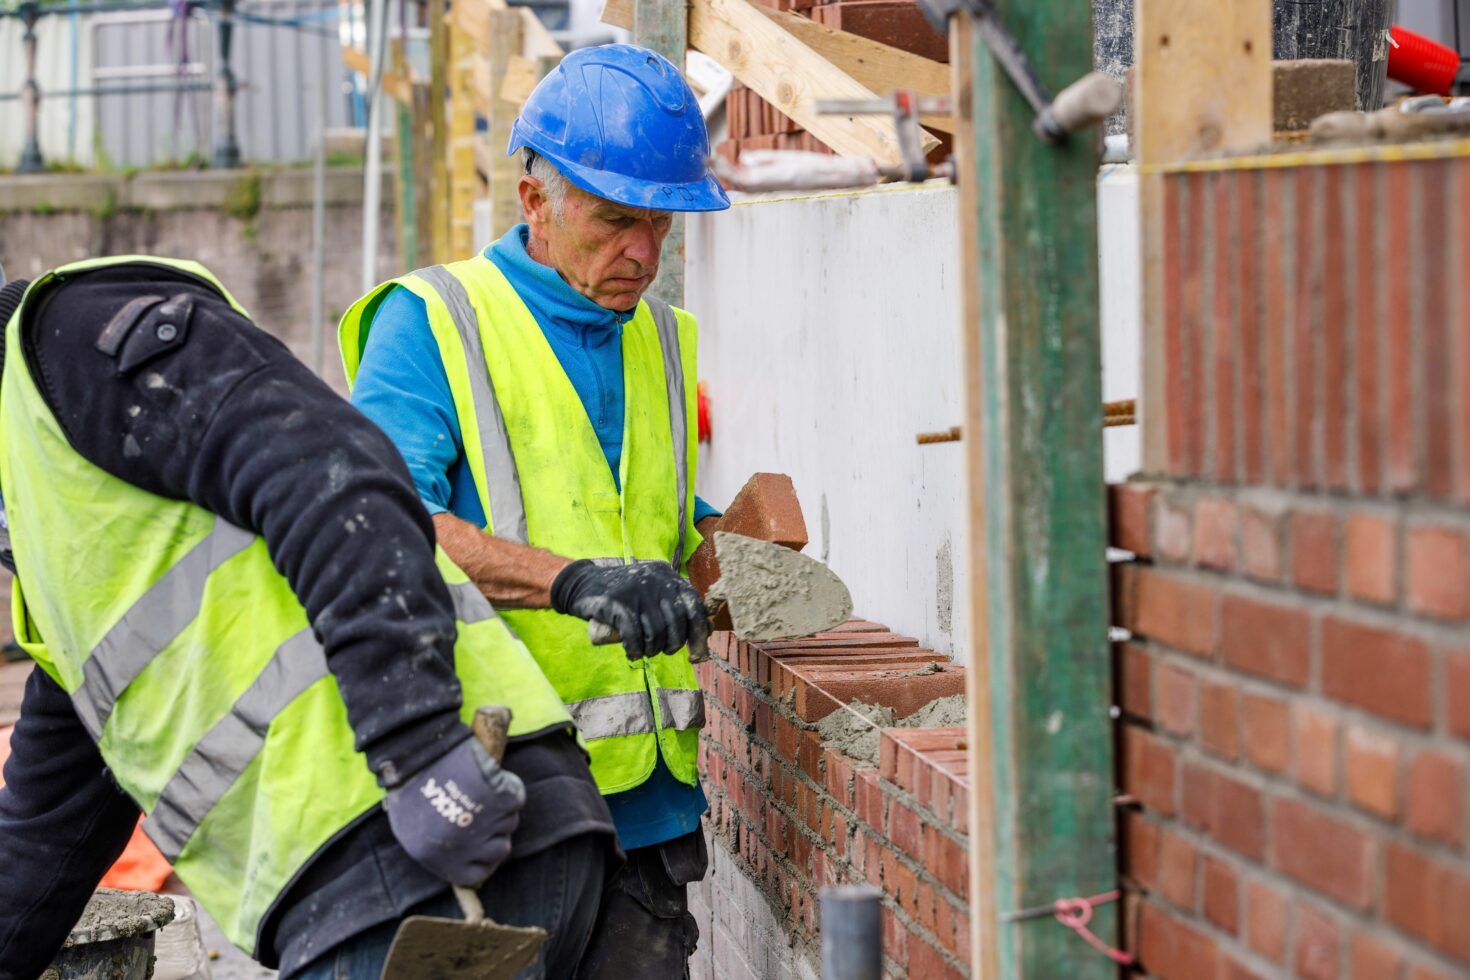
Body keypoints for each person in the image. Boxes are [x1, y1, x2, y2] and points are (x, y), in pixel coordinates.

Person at [0, 256, 618, 980]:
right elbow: (44, 839)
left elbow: (330, 471)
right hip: (425, 861)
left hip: (412, 846)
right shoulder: (63, 542)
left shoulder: (73, 340)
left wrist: (417, 754)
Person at [339, 43, 730, 976]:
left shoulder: (663, 339)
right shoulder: (435, 320)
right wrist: (575, 582)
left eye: (662, 226)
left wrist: (727, 543)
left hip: (650, 821)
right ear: (534, 203)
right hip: (505, 808)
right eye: (615, 221)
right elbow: (383, 525)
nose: (644, 252)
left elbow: (642, 509)